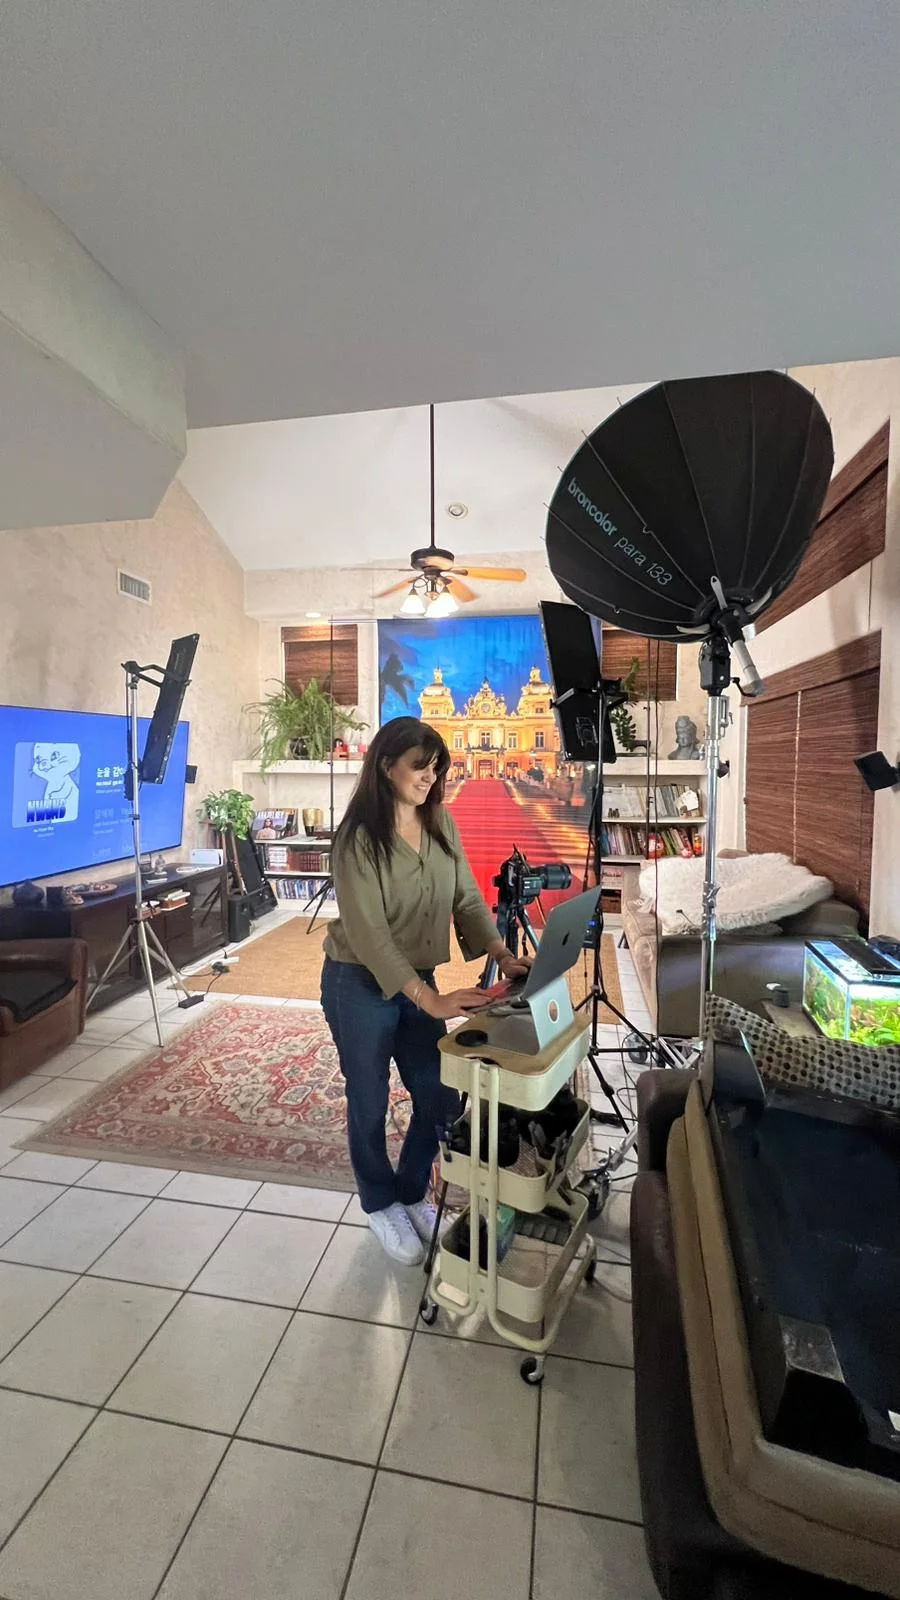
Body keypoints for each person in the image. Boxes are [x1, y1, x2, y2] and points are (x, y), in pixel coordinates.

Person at [321, 716, 532, 1266]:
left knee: (440, 1092)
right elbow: (368, 934)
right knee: (367, 1100)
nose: (429, 775)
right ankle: (378, 1201)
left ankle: (412, 1189)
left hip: (419, 983)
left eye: (436, 766)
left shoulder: (443, 825)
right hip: (358, 982)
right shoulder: (357, 839)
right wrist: (428, 998)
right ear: (386, 765)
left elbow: (465, 899)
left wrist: (502, 953)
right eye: (420, 764)